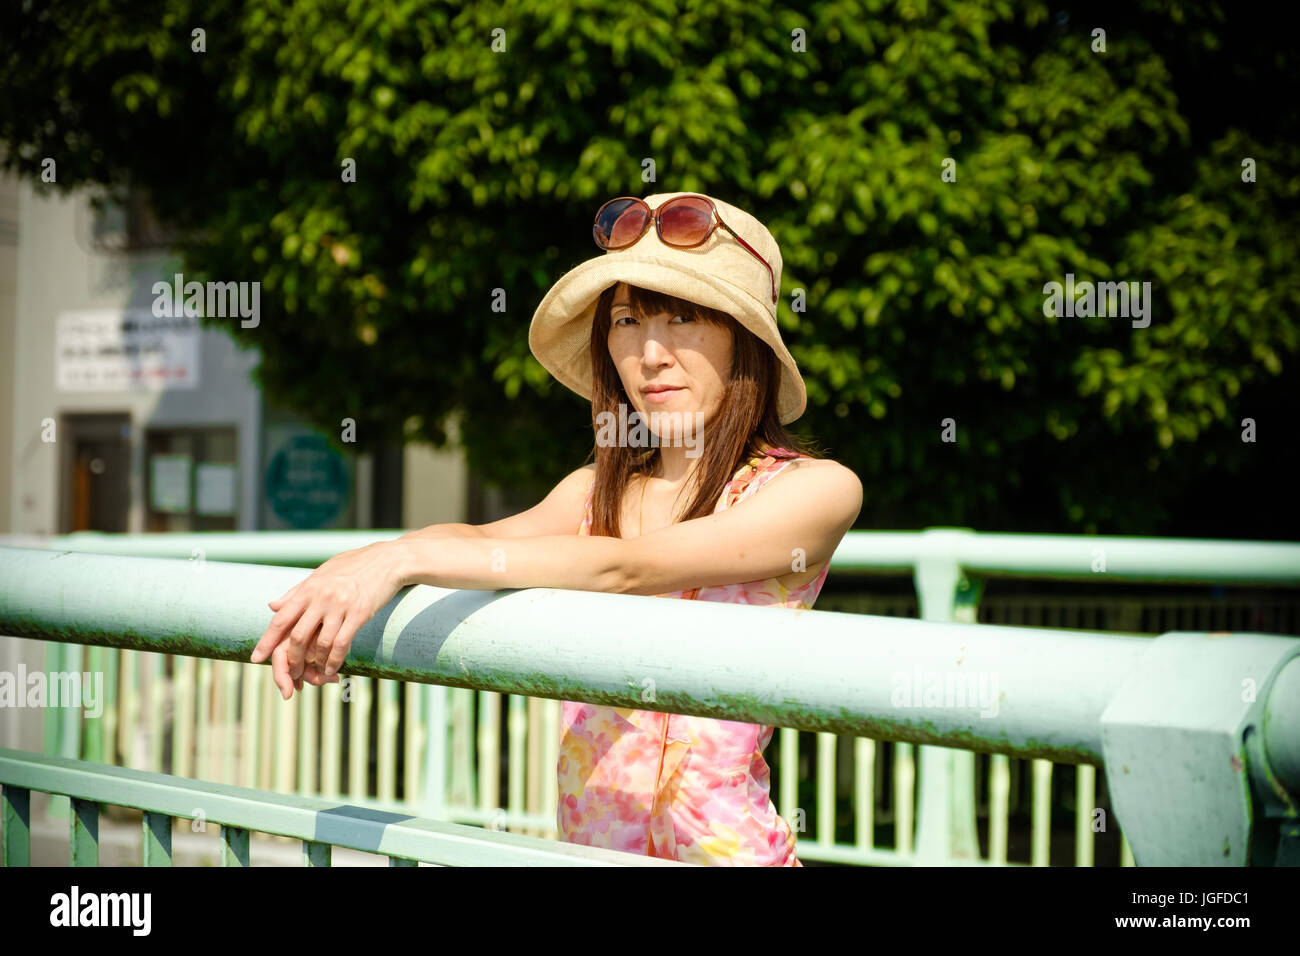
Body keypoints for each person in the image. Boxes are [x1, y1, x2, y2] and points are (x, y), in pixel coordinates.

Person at [250, 191, 862, 866]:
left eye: (684, 317)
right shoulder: (593, 492)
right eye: (627, 321)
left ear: (743, 340)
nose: (650, 353)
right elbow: (484, 541)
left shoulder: (811, 489)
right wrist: (373, 559)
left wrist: (401, 561)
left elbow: (627, 568)